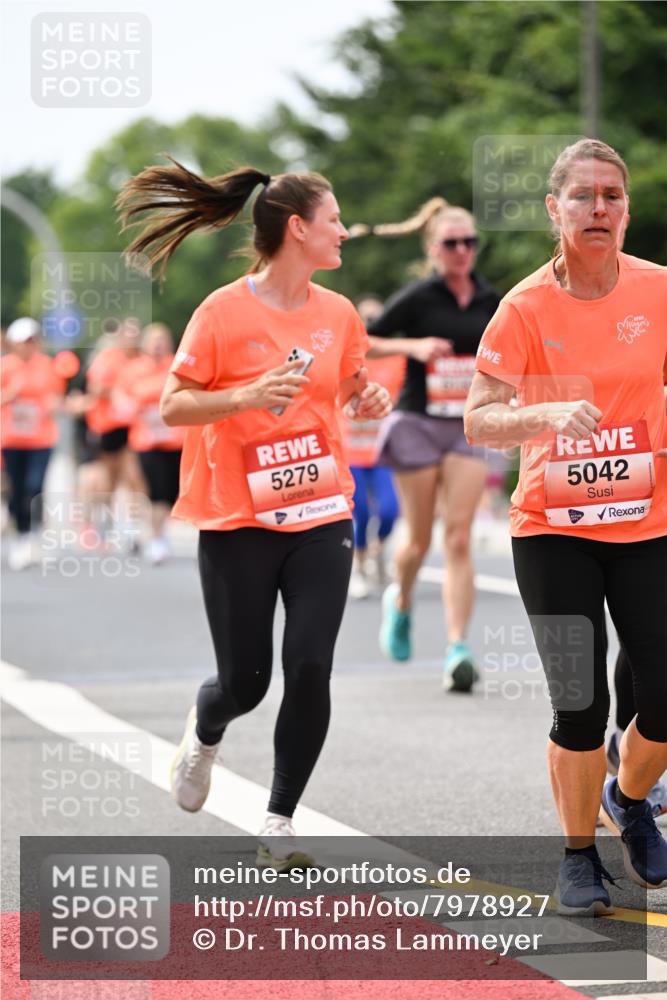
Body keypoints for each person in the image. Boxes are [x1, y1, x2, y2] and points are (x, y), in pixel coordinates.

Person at [118, 160, 391, 866]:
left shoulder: (338, 313)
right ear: (298, 228)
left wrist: (367, 399)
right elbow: (173, 404)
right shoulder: (221, 311)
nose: (343, 232)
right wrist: (243, 396)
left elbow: (351, 381)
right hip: (237, 518)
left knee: (308, 666)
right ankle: (203, 734)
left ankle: (278, 818)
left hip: (320, 510)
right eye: (334, 220)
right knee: (246, 681)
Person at [465, 138, 667, 914]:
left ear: (626, 209)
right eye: (581, 197)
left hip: (647, 519)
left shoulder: (656, 289)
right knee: (578, 701)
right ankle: (578, 854)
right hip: (553, 526)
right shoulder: (523, 307)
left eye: (611, 196)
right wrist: (545, 413)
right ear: (554, 210)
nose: (598, 209)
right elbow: (476, 421)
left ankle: (629, 796)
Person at [361, 199, 500, 689]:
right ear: (432, 248)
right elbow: (360, 340)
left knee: (458, 536)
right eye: (451, 243)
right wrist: (412, 347)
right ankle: (399, 601)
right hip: (417, 421)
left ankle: (457, 648)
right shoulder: (419, 298)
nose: (462, 251)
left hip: (467, 426)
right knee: (417, 540)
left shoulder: (492, 301)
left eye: (469, 242)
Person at [344, 295, 403, 598]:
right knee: (362, 512)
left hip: (383, 454)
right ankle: (360, 564)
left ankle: (379, 550)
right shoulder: (346, 359)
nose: (370, 325)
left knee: (391, 511)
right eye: (364, 319)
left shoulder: (397, 361)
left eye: (376, 319)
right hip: (351, 452)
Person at [115, 323, 185, 564]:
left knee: (170, 491)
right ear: (144, 345)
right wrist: (129, 406)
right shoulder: (133, 370)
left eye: (161, 340)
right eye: (153, 341)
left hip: (175, 439)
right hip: (146, 440)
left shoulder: (178, 366)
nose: (157, 345)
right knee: (152, 491)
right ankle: (157, 539)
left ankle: (159, 532)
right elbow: (119, 395)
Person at [1, 318, 65, 569]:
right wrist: (10, 394)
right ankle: (22, 536)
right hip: (12, 438)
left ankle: (35, 537)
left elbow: (57, 398)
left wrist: (54, 404)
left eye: (32, 340)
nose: (29, 346)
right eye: (24, 341)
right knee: (17, 488)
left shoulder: (47, 366)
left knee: (35, 485)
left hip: (41, 438)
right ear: (15, 344)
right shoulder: (5, 367)